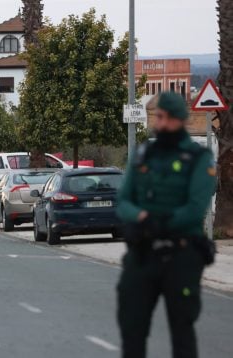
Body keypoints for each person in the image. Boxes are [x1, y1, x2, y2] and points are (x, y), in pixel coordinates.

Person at [116, 92, 217, 358]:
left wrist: (162, 223)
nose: (157, 123)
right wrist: (142, 219)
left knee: (182, 330)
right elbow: (124, 200)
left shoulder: (199, 158)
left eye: (162, 117)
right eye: (156, 117)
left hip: (181, 255)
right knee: (131, 327)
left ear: (177, 119)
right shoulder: (142, 154)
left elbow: (196, 208)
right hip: (143, 253)